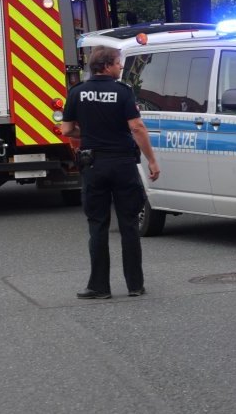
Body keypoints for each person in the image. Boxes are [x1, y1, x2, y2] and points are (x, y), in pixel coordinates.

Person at [60, 45, 161, 299]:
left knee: (98, 226)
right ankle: (135, 285)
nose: (120, 67)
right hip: (122, 164)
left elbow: (67, 130)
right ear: (106, 65)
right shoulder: (122, 92)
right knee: (128, 223)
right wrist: (151, 160)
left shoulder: (77, 93)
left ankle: (99, 287)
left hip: (93, 165)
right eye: (118, 63)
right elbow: (137, 127)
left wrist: (92, 133)